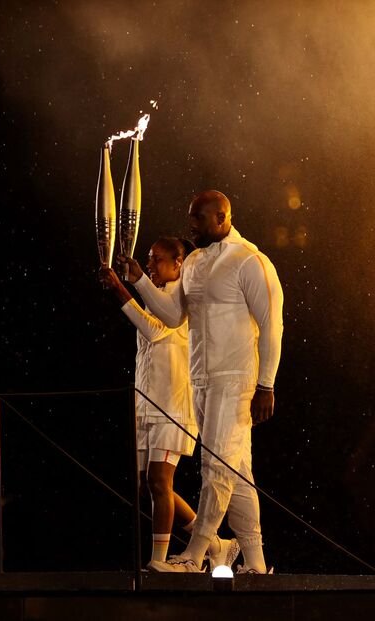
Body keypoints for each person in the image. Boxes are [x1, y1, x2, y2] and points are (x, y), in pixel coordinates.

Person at [115, 190, 284, 574]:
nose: (190, 225)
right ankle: (256, 563)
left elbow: (272, 325)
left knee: (216, 466)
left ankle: (194, 555)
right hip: (201, 381)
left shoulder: (250, 261)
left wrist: (267, 384)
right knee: (237, 473)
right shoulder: (193, 263)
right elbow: (173, 316)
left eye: (198, 218)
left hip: (236, 379)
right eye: (190, 216)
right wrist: (140, 281)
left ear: (222, 217)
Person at [100, 236, 240, 571]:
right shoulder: (154, 296)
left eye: (157, 259)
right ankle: (217, 544)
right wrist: (130, 284)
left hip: (172, 407)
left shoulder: (183, 300)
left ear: (180, 264)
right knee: (145, 485)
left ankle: (158, 562)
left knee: (160, 483)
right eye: (148, 259)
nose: (150, 265)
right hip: (146, 403)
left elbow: (154, 331)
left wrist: (122, 288)